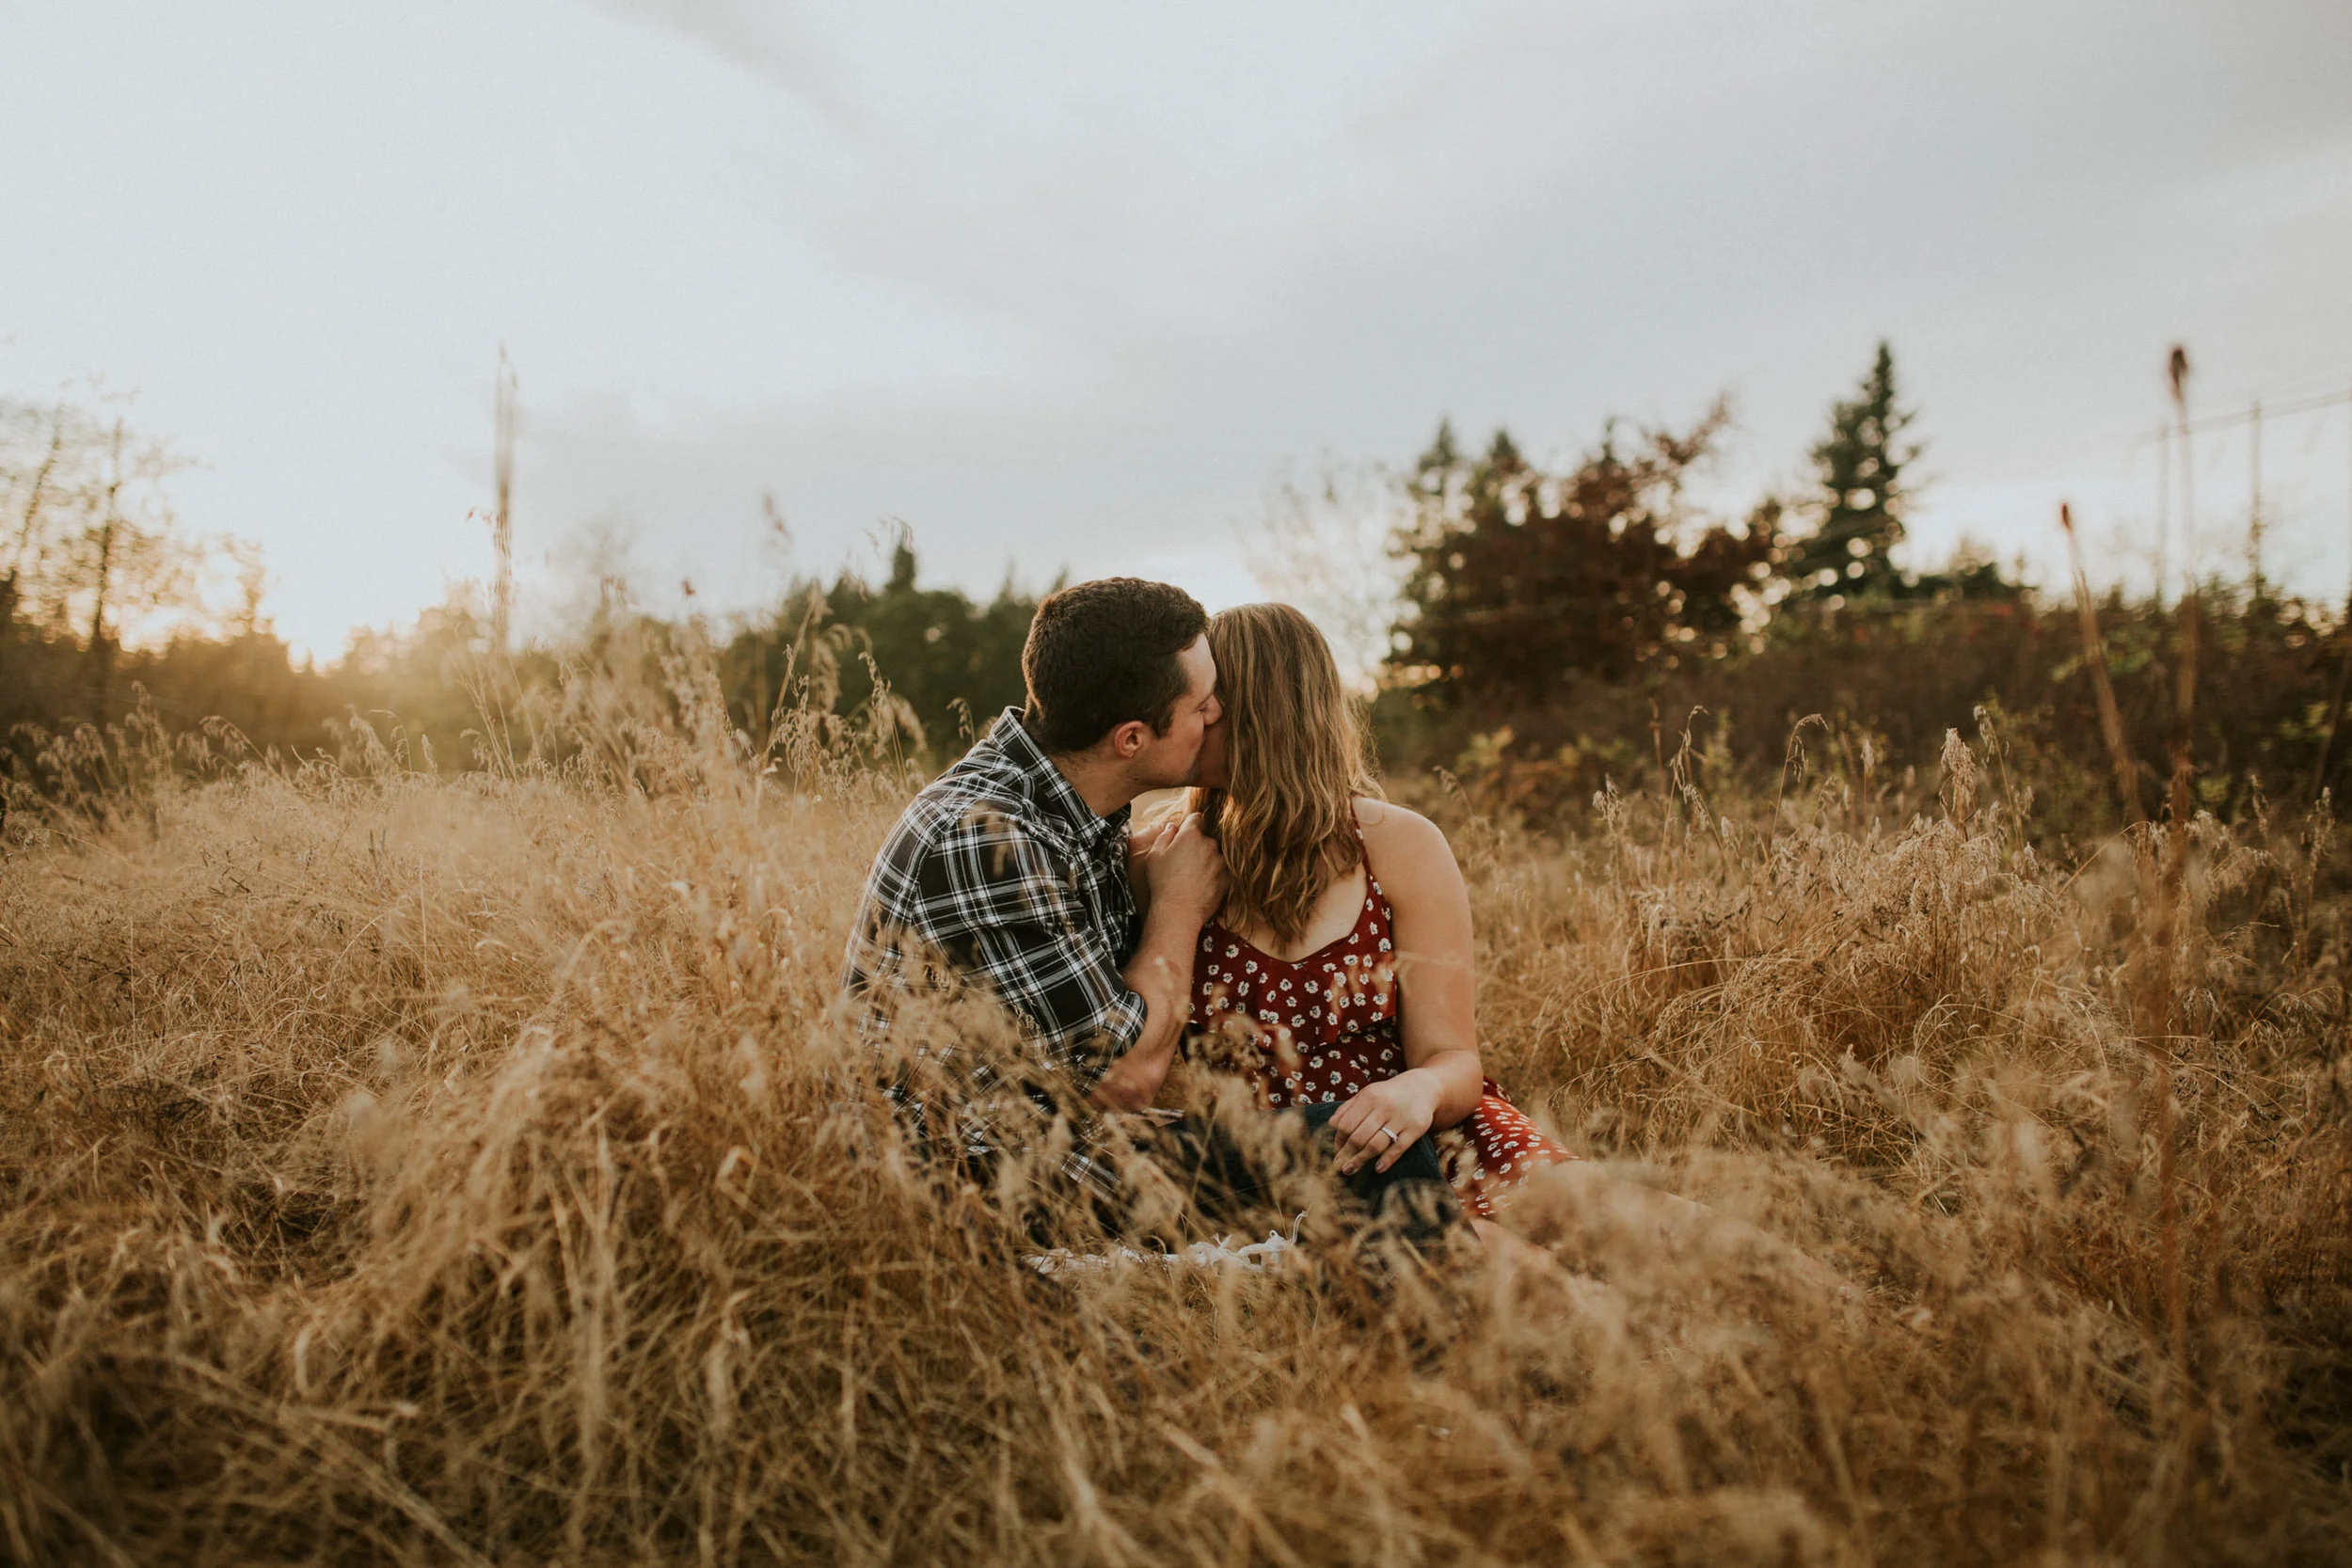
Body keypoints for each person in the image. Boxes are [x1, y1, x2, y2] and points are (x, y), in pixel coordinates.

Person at [841, 578, 1457, 1243]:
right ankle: (1443, 1334)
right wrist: (1180, 905)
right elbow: (1121, 1076)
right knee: (1364, 1155)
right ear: (1132, 738)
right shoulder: (991, 838)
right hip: (981, 1181)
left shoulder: (1068, 810)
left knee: (1356, 1148)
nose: (1219, 713)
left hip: (1058, 1141)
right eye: (1202, 704)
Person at [1173, 603, 1580, 1223]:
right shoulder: (1168, 858)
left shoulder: (1401, 845)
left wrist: (1417, 1088)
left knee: (1617, 1216)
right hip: (1280, 1175)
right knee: (1526, 1287)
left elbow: (1454, 1058)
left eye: (1205, 702)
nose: (1186, 719)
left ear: (1259, 714)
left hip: (1423, 1134)